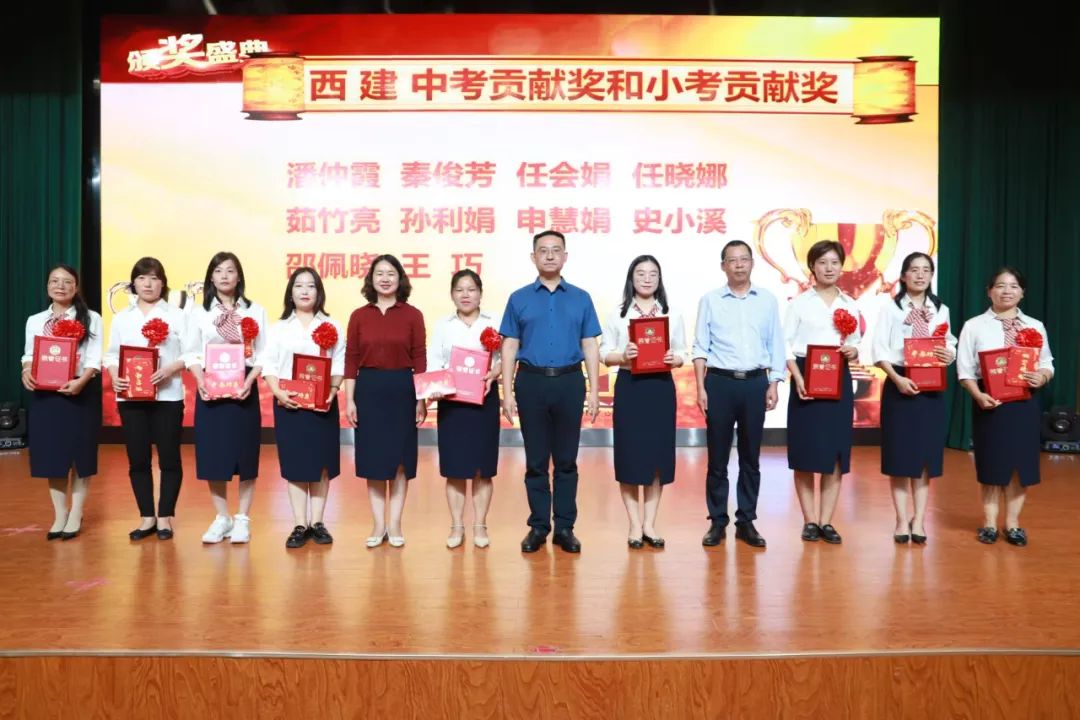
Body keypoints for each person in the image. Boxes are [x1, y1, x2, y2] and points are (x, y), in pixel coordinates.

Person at [500, 230, 601, 554]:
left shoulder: (581, 298)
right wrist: (507, 393)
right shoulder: (519, 298)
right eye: (543, 250)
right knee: (536, 460)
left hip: (570, 382)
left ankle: (565, 528)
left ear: (565, 256)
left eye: (556, 250)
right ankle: (538, 526)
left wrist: (594, 390)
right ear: (533, 257)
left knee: (567, 460)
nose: (549, 255)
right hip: (531, 382)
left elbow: (590, 344)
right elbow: (509, 346)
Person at [692, 240, 785, 549]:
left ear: (752, 263)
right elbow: (700, 346)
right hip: (719, 383)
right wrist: (700, 386)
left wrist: (774, 382)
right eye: (732, 260)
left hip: (755, 383)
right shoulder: (710, 300)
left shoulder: (767, 300)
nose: (739, 264)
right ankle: (717, 520)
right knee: (717, 457)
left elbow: (776, 343)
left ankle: (746, 520)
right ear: (723, 266)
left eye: (744, 259)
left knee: (750, 457)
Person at [957, 266, 1053, 547]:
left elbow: (1047, 362)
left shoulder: (1035, 326)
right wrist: (978, 395)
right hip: (990, 403)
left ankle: (1013, 524)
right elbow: (965, 369)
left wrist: (1042, 376)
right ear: (989, 291)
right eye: (1000, 285)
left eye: (1013, 286)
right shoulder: (974, 326)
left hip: (1025, 402)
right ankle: (989, 523)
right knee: (991, 464)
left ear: (1022, 293)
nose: (1006, 291)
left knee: (1020, 467)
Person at [599, 255, 688, 549]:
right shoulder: (617, 314)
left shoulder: (672, 313)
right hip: (630, 387)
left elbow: (683, 352)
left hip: (660, 388)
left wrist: (675, 359)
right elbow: (604, 353)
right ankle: (634, 524)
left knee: (656, 458)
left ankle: (650, 523)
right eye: (641, 273)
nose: (647, 279)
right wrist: (623, 356)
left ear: (659, 279)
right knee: (630, 456)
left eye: (653, 274)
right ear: (631, 278)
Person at [872, 252, 956, 544]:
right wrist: (897, 379)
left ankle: (918, 519)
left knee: (924, 458)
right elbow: (879, 350)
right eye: (914, 270)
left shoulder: (941, 309)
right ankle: (900, 519)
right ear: (903, 276)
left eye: (926, 270)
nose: (920, 275)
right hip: (899, 383)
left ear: (931, 275)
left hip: (931, 387)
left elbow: (949, 343)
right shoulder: (891, 309)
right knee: (900, 457)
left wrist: (948, 354)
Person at [185, 252, 268, 544]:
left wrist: (250, 380)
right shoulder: (199, 312)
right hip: (210, 388)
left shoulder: (255, 310)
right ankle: (222, 518)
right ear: (211, 276)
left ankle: (243, 518)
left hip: (243, 388)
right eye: (218, 270)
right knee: (213, 455)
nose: (224, 276)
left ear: (238, 276)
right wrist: (199, 379)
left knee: (246, 455)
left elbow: (264, 353)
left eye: (230, 270)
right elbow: (191, 352)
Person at [344, 254, 427, 549]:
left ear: (400, 278)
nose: (385, 278)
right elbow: (351, 359)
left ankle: (395, 523)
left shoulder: (413, 315)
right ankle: (378, 524)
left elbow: (420, 358)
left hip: (403, 389)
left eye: (391, 273)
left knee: (400, 461)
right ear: (371, 279)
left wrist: (420, 398)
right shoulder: (359, 315)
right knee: (374, 460)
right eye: (379, 273)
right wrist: (349, 399)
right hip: (368, 390)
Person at [783, 240, 862, 545]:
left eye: (834, 262)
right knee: (805, 452)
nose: (829, 268)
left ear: (841, 267)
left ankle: (826, 521)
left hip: (838, 377)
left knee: (835, 453)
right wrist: (797, 377)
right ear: (812, 267)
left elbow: (855, 343)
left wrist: (854, 350)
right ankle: (809, 520)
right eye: (822, 262)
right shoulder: (799, 304)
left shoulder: (850, 303)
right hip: (806, 376)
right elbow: (785, 345)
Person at [104, 257, 188, 541]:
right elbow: (111, 355)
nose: (148, 284)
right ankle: (146, 517)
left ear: (163, 283)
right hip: (131, 398)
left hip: (168, 396)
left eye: (153, 278)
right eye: (141, 278)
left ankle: (164, 517)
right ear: (133, 284)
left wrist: (169, 369)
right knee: (138, 459)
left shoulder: (177, 315)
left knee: (169, 458)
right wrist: (115, 375)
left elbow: (191, 353)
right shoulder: (122, 318)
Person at [263, 267, 345, 549]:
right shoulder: (279, 328)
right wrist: (278, 392)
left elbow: (340, 362)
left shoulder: (332, 325)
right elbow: (270, 363)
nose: (305, 291)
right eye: (299, 286)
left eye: (311, 286)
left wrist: (332, 391)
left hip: (323, 405)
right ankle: (300, 523)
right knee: (296, 465)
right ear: (291, 292)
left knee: (322, 465)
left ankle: (318, 522)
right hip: (290, 404)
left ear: (319, 292)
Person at [20, 264, 103, 541]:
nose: (60, 286)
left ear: (76, 287)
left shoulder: (91, 318)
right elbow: (29, 354)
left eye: (67, 281)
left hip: (80, 391)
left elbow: (94, 357)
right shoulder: (35, 320)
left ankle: (76, 512)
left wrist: (82, 381)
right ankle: (60, 514)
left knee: (80, 455)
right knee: (52, 456)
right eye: (54, 281)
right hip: (46, 395)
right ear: (47, 287)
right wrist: (26, 371)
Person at [426, 269, 502, 549]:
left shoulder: (494, 322)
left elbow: (507, 357)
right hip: (452, 404)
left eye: (471, 289)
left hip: (484, 400)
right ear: (452, 294)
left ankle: (480, 524)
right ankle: (457, 525)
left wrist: (496, 372)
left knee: (483, 467)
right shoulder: (443, 325)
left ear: (480, 293)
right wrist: (434, 387)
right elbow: (434, 361)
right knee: (455, 467)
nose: (465, 295)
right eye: (459, 290)